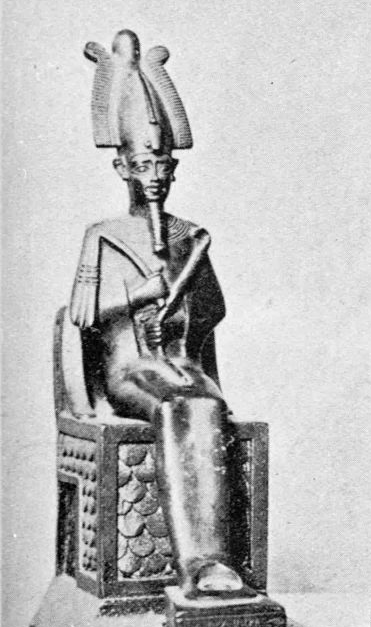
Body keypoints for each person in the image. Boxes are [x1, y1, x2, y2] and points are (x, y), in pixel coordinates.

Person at [70, 30, 243, 597]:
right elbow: (85, 315)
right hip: (128, 370)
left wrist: (185, 296)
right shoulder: (104, 235)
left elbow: (211, 314)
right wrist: (140, 295)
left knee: (203, 400)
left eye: (163, 164)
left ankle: (217, 561)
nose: (155, 176)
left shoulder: (188, 236)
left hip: (181, 363)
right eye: (143, 164)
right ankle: (202, 563)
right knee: (181, 405)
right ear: (122, 166)